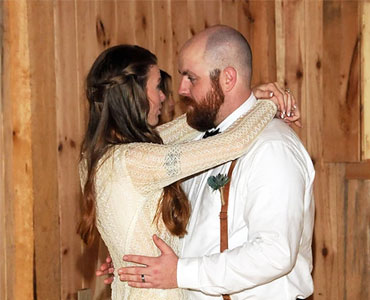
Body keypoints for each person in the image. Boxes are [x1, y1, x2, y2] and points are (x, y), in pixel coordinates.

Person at [117, 25, 315, 300]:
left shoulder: (272, 147)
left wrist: (180, 273)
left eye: (191, 78)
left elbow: (274, 252)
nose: (182, 90)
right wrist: (136, 262)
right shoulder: (198, 142)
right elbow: (194, 235)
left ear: (228, 79)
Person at [78, 44, 283, 300]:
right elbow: (234, 143)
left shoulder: (94, 157)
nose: (164, 96)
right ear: (134, 95)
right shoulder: (134, 160)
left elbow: (179, 130)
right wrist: (267, 105)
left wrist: (244, 99)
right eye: (157, 87)